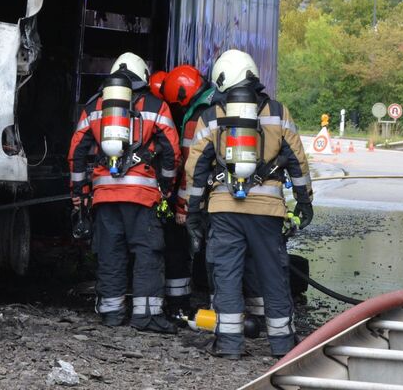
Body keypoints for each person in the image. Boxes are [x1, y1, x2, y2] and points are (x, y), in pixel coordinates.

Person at [183, 49, 313, 359]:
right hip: (268, 211)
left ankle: (229, 344)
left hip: (224, 210)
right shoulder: (278, 113)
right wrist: (304, 201)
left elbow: (196, 168)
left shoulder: (210, 116)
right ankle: (282, 344)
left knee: (226, 274)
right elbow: (297, 160)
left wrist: (193, 211)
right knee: (274, 274)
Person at [69, 52, 181, 332]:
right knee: (147, 253)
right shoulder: (156, 106)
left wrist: (80, 194)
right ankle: (146, 316)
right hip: (143, 196)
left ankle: (111, 312)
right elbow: (171, 151)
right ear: (143, 76)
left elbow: (77, 153)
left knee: (110, 252)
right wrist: (166, 188)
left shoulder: (94, 107)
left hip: (104, 196)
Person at [149, 64, 213, 318]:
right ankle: (221, 308)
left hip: (194, 195)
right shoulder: (216, 105)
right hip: (219, 194)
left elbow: (189, 166)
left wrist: (182, 207)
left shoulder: (195, 117)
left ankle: (179, 305)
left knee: (177, 243)